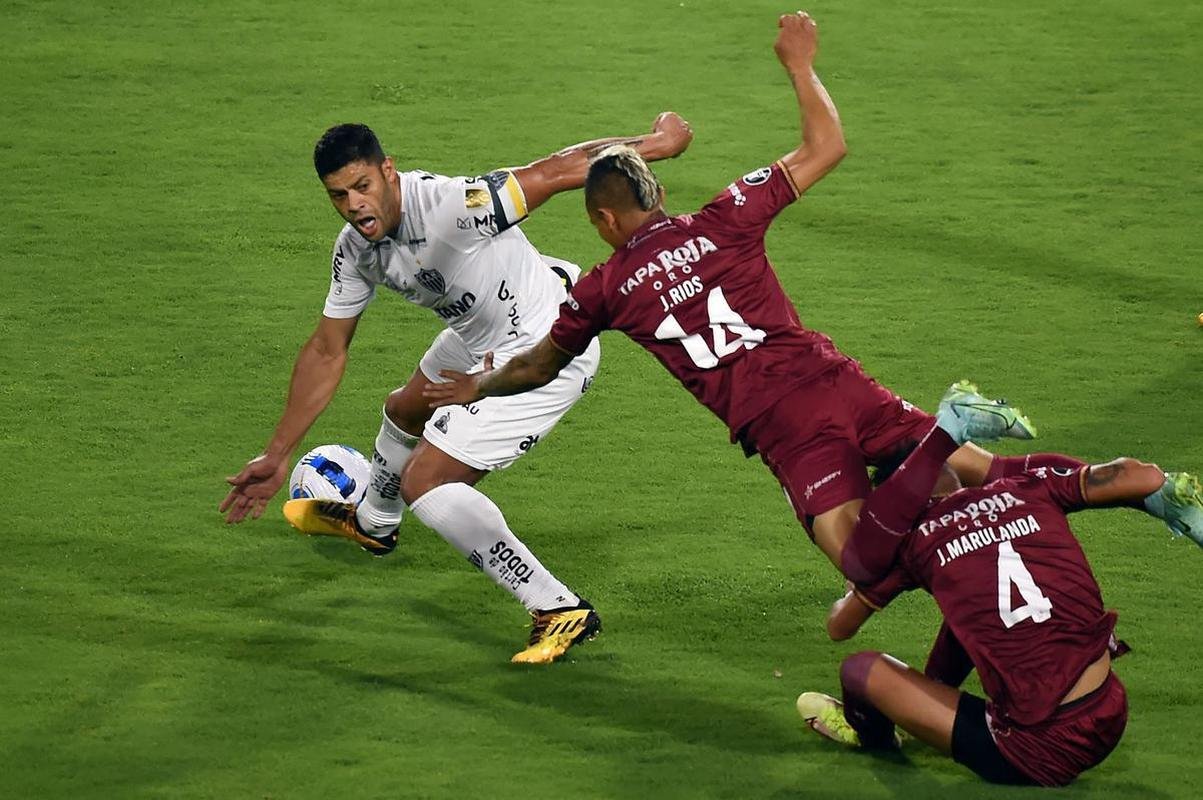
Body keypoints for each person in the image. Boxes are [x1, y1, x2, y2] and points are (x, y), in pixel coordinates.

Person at [421, 11, 1042, 581]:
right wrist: (798, 64)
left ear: (605, 222)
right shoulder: (727, 216)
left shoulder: (602, 289)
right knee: (987, 474)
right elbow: (827, 146)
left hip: (784, 423)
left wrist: (477, 386)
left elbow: (536, 366)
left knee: (862, 563)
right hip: (832, 376)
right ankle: (1109, 482)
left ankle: (943, 468)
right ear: (656, 195)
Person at [219, 115, 693, 664]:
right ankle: (374, 524)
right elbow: (328, 350)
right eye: (339, 195)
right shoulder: (355, 250)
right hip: (479, 337)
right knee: (403, 409)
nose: (354, 205)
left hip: (548, 348)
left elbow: (556, 170)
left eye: (363, 187)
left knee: (426, 481)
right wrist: (277, 454)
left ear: (388, 171)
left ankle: (557, 607)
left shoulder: (454, 207)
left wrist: (654, 146)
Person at [794, 432, 1203, 786]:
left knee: (859, 671)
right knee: (971, 608)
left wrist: (859, 580)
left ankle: (876, 737)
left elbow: (838, 626)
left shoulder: (915, 541)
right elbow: (1143, 477)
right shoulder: (1027, 487)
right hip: (1110, 709)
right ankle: (931, 696)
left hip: (1039, 747)